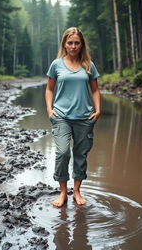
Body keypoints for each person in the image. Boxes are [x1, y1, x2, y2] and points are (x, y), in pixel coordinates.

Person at [45, 27, 101, 207]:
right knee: (62, 153)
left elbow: (95, 90)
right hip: (61, 116)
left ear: (81, 44)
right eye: (70, 43)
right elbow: (49, 89)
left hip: (85, 117)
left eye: (77, 43)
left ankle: (76, 191)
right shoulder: (56, 64)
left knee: (80, 154)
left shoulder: (88, 65)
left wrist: (98, 110)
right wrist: (49, 109)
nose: (73, 46)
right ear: (65, 44)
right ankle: (63, 192)